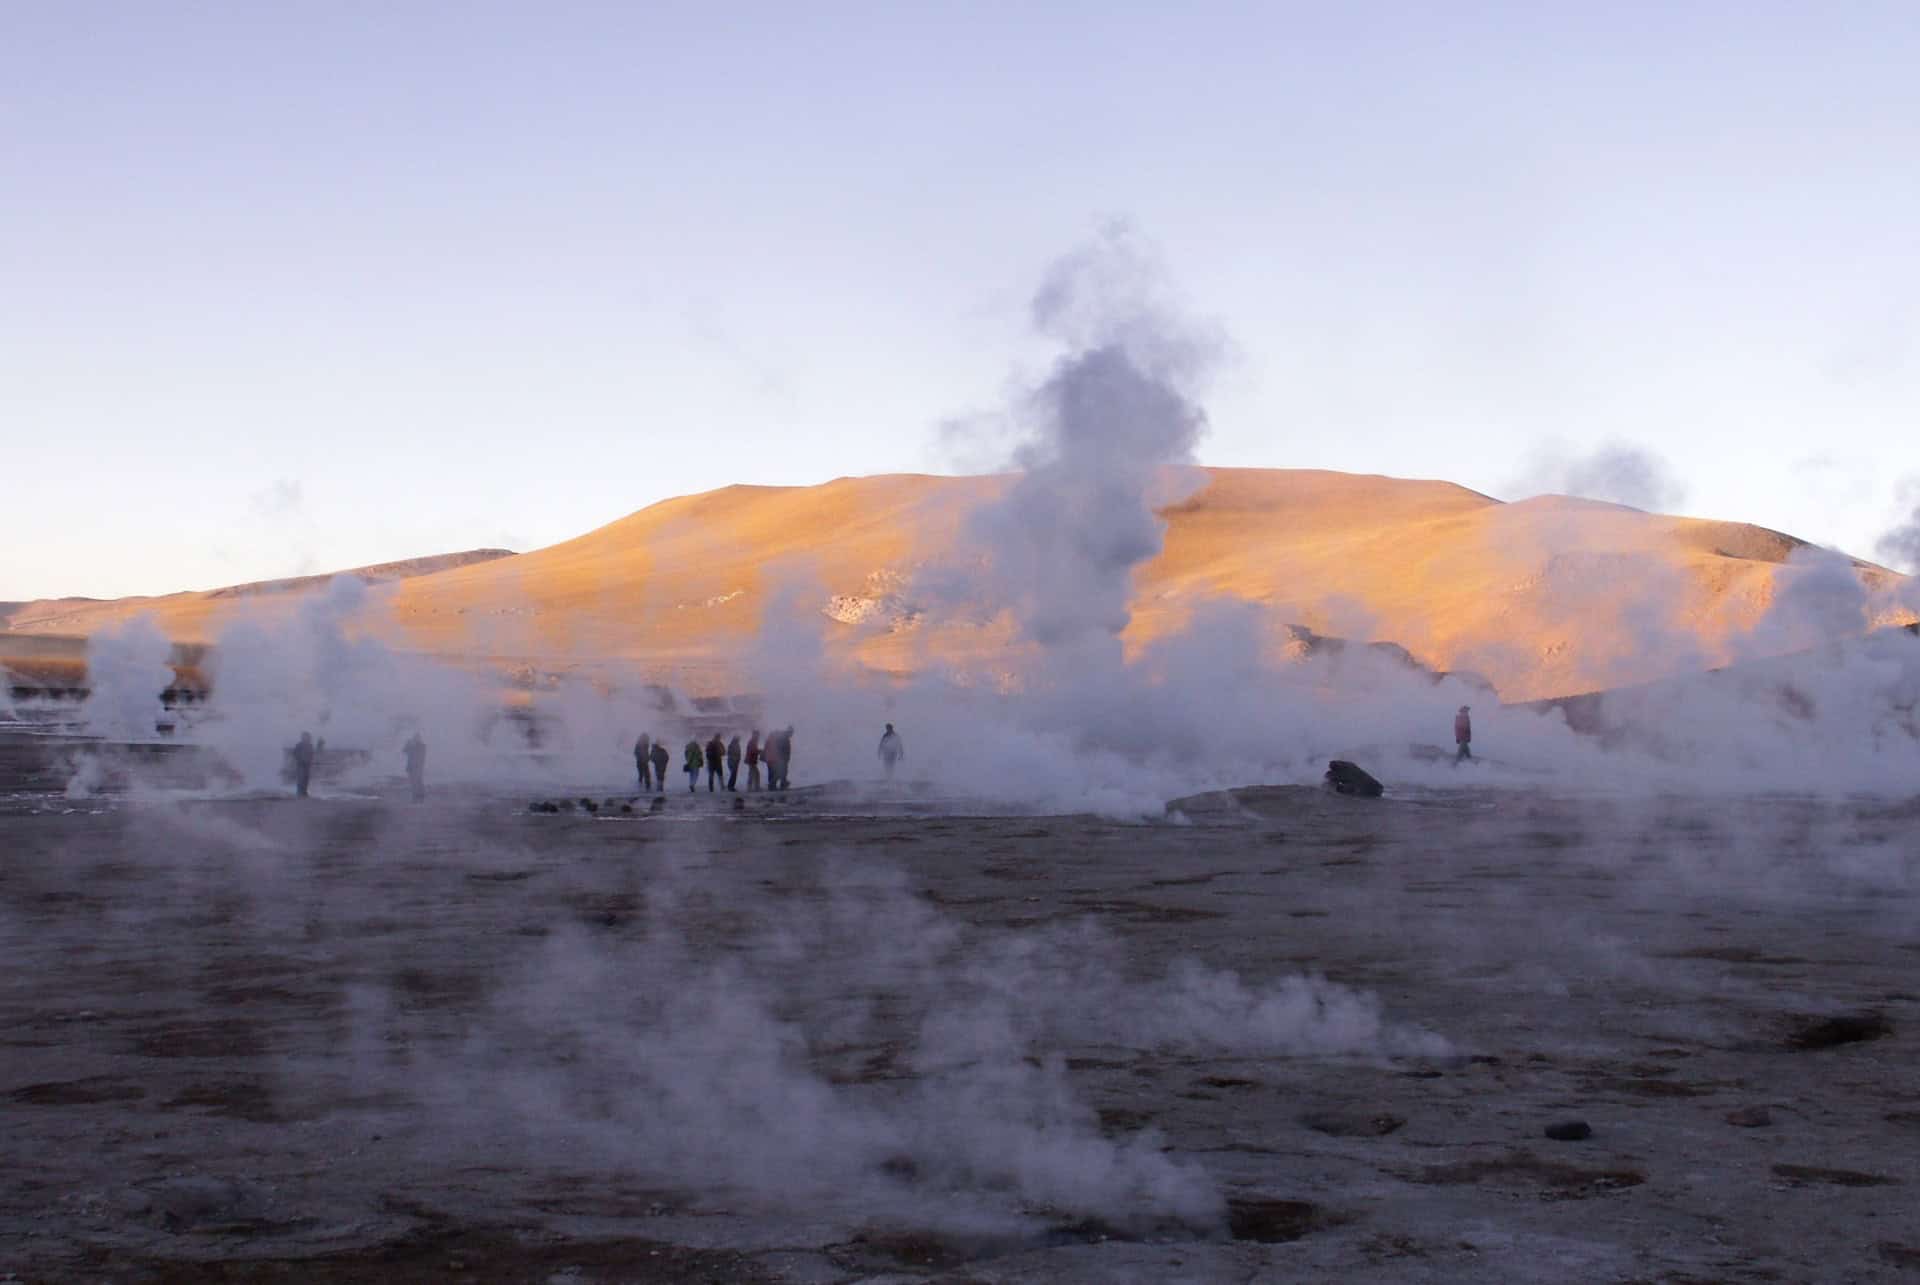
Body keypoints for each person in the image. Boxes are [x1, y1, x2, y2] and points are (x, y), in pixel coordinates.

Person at [289, 731, 315, 798]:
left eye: (308, 737)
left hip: (307, 765)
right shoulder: (299, 745)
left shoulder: (310, 745)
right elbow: (294, 753)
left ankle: (304, 792)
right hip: (301, 764)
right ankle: (299, 793)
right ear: (302, 738)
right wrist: (299, 759)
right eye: (305, 737)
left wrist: (310, 760)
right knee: (301, 778)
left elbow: (311, 754)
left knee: (306, 778)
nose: (307, 738)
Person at [402, 732, 427, 802]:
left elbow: (420, 756)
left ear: (419, 739)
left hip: (417, 767)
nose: (415, 739)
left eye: (416, 738)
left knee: (418, 782)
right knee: (413, 783)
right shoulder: (411, 746)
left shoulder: (422, 746)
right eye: (415, 738)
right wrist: (407, 744)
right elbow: (404, 751)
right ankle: (416, 798)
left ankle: (420, 797)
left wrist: (411, 746)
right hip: (411, 767)